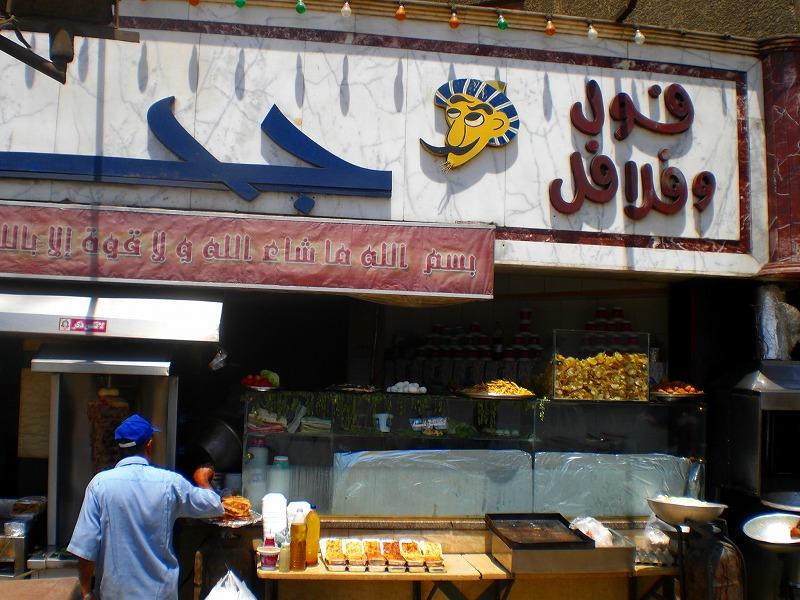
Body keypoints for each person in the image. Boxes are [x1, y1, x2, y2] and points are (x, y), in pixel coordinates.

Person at [68, 414, 224, 600]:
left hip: (115, 594)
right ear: (149, 445)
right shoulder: (169, 483)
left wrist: (86, 591)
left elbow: (86, 547)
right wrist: (202, 479)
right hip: (159, 594)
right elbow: (214, 506)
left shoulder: (99, 485)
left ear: (119, 447)